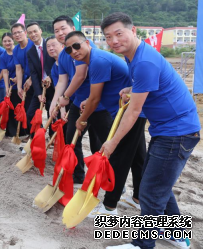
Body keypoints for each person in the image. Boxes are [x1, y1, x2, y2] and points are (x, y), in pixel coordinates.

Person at [101, 13, 200, 249]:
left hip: (177, 132)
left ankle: (142, 245)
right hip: (167, 129)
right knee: (158, 183)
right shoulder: (135, 55)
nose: (114, 40)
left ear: (132, 31)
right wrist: (132, 88)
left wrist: (112, 143)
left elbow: (133, 113)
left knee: (150, 191)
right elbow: (149, 85)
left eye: (119, 33)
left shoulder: (143, 61)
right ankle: (178, 235)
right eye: (108, 37)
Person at [64, 31, 147, 218]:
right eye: (69, 49)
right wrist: (88, 101)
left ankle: (109, 207)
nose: (74, 51)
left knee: (120, 156)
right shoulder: (95, 60)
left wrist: (81, 119)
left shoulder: (98, 60)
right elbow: (96, 95)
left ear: (87, 42)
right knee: (137, 156)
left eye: (77, 46)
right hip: (131, 108)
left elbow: (94, 99)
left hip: (130, 112)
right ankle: (138, 198)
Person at [48, 15, 111, 184]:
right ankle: (78, 176)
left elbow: (80, 76)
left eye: (63, 28)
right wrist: (55, 101)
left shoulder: (82, 47)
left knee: (98, 143)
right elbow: (62, 80)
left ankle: (105, 177)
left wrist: (65, 97)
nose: (60, 33)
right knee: (71, 140)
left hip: (98, 103)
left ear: (72, 27)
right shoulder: (63, 55)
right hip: (79, 102)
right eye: (56, 30)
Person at [26, 22, 55, 132]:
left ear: (40, 31)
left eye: (35, 31)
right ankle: (38, 136)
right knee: (30, 114)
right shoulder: (30, 52)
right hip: (39, 87)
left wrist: (50, 77)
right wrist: (38, 93)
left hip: (53, 85)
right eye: (30, 33)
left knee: (51, 113)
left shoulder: (50, 45)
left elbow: (58, 65)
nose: (33, 34)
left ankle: (53, 137)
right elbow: (33, 73)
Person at [12, 23, 33, 137]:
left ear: (25, 32)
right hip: (27, 82)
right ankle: (31, 135)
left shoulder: (32, 44)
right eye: (14, 33)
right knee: (29, 109)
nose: (17, 35)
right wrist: (19, 87)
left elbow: (39, 65)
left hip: (38, 80)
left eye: (19, 32)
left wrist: (31, 79)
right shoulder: (16, 50)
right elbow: (18, 69)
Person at [0, 32, 19, 138]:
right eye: (5, 41)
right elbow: (5, 72)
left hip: (22, 84)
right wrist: (7, 88)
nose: (7, 43)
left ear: (13, 41)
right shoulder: (3, 56)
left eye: (9, 40)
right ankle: (12, 132)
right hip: (11, 85)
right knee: (11, 109)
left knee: (21, 108)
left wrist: (18, 78)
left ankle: (24, 132)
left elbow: (23, 67)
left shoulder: (18, 51)